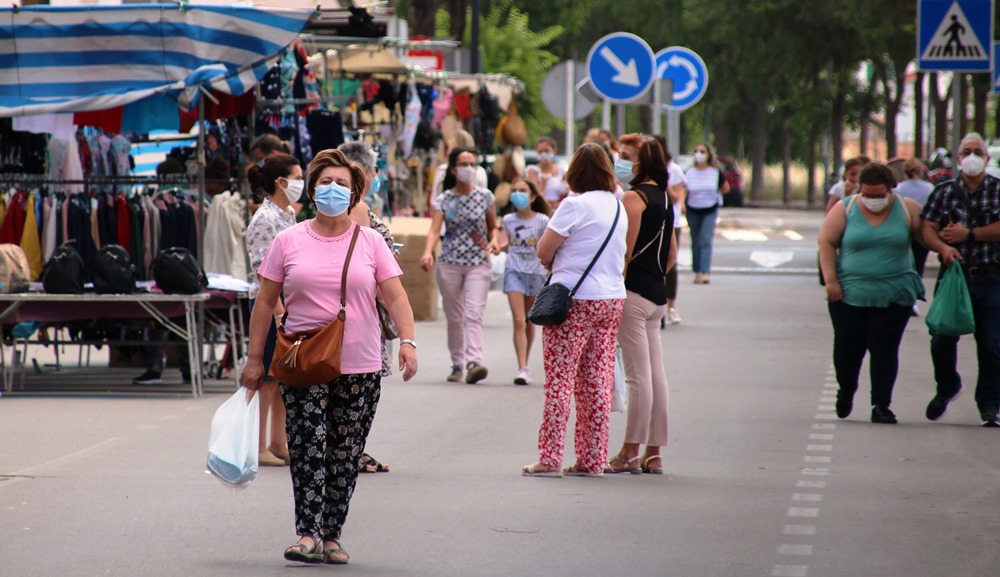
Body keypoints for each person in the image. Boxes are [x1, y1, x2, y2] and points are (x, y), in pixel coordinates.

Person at [240, 148, 418, 565]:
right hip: (303, 362)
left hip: (360, 365)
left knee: (344, 452)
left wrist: (408, 342)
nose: (332, 189)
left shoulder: (371, 241)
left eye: (341, 184)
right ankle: (307, 534)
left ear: (355, 193)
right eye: (325, 182)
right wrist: (253, 360)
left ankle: (333, 535)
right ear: (312, 190)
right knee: (307, 449)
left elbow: (395, 295)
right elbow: (264, 303)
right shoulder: (288, 240)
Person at [521, 142, 628, 477]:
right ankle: (592, 459)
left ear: (575, 172)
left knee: (560, 381)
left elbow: (543, 249)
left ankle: (550, 457)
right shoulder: (617, 204)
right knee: (596, 381)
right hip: (611, 298)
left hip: (573, 300)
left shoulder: (574, 205)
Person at [818, 162, 924, 424]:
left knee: (885, 349)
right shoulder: (846, 208)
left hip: (895, 294)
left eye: (879, 195)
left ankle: (881, 404)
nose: (873, 200)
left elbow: (926, 236)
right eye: (867, 194)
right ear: (858, 189)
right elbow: (826, 242)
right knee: (847, 349)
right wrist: (831, 281)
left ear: (890, 189)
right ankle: (847, 388)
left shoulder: (906, 208)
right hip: (848, 294)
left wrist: (944, 248)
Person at [606, 134, 676, 475]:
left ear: (641, 162)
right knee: (655, 374)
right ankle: (654, 452)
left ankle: (629, 451)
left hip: (632, 293)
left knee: (638, 377)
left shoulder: (634, 198)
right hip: (657, 294)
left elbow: (625, 252)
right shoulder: (665, 196)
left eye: (624, 156)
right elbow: (672, 254)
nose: (619, 162)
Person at [920, 133, 1000, 427]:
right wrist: (943, 247)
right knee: (941, 338)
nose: (972, 156)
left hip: (990, 277)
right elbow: (926, 227)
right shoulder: (944, 193)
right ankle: (947, 386)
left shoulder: (997, 189)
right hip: (954, 277)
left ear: (987, 158)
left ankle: (990, 405)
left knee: (992, 344)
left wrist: (969, 234)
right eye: (966, 151)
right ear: (958, 159)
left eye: (977, 151)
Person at [338, 140, 398, 473]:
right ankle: (351, 451)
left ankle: (351, 449)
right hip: (360, 310)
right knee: (358, 387)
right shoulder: (357, 206)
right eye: (374, 171)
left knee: (357, 388)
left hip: (362, 307)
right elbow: (361, 263)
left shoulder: (355, 206)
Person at [420, 147, 500, 384]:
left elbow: (493, 226)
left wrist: (494, 241)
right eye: (464, 164)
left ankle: (474, 361)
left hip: (478, 262)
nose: (469, 169)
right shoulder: (444, 199)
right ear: (454, 169)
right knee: (455, 317)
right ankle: (457, 364)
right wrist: (427, 252)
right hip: (450, 262)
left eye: (473, 164)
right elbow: (435, 230)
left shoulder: (485, 196)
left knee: (474, 313)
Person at [245, 153, 300, 467]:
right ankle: (259, 447)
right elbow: (264, 274)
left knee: (281, 377)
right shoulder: (264, 219)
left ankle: (278, 442)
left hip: (286, 305)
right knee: (265, 378)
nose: (300, 182)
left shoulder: (286, 212)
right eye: (296, 176)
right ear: (281, 182)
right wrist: (279, 314)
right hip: (269, 307)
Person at [133, 158, 192, 386]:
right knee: (183, 321)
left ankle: (155, 368)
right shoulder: (189, 201)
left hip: (162, 271)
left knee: (158, 320)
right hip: (187, 270)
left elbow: (149, 244)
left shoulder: (157, 202)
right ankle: (188, 370)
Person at [499, 178, 551, 385]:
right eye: (515, 190)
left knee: (529, 321)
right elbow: (504, 241)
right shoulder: (508, 219)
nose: (517, 194)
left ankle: (526, 363)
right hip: (514, 271)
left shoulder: (542, 220)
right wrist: (496, 245)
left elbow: (547, 245)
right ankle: (522, 367)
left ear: (532, 196)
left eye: (522, 190)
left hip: (536, 273)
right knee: (519, 319)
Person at [684, 142, 730, 285]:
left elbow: (726, 188)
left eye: (702, 151)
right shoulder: (689, 172)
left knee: (705, 239)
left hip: (709, 209)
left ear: (709, 154)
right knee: (696, 241)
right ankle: (697, 271)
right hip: (692, 209)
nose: (699, 154)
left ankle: (705, 272)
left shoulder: (715, 172)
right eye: (697, 151)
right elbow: (683, 189)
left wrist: (715, 195)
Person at [654, 135, 687, 326]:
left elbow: (676, 198)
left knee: (670, 263)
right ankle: (656, 304)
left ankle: (671, 306)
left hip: (671, 221)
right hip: (652, 220)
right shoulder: (643, 169)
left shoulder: (673, 170)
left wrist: (662, 179)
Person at [894, 157, 934, 282]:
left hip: (902, 230)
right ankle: (916, 288)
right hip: (922, 232)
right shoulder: (929, 188)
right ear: (920, 171)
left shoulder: (898, 189)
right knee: (919, 263)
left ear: (905, 172)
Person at [525, 137, 568, 206]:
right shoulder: (533, 170)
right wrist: (543, 183)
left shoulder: (561, 170)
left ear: (554, 151)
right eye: (540, 152)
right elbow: (536, 195)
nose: (543, 154)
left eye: (546, 151)